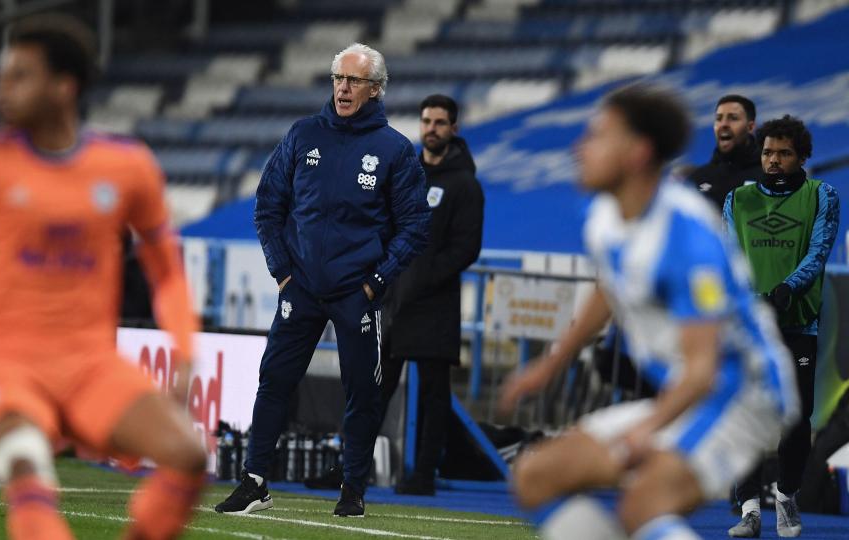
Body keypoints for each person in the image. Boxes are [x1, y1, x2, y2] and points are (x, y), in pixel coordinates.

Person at [0, 15, 206, 540]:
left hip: (92, 367)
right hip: (6, 369)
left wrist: (184, 351)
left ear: (63, 87)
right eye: (4, 74)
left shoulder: (126, 166)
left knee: (187, 457)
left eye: (19, 75)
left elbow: (168, 272)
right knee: (27, 470)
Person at [498, 84, 800, 540]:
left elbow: (705, 369)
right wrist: (550, 365)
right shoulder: (605, 211)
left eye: (598, 136)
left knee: (643, 506)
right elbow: (609, 285)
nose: (581, 147)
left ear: (637, 154)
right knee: (535, 476)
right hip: (688, 390)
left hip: (742, 394)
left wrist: (651, 428)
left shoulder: (685, 237)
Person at [214, 42, 430, 518]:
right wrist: (283, 273)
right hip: (302, 288)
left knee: (362, 392)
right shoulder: (302, 135)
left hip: (359, 292)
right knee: (273, 379)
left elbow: (415, 226)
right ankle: (253, 481)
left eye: (353, 81)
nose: (342, 88)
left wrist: (377, 281)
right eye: (337, 78)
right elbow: (267, 206)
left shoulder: (394, 150)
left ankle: (352, 490)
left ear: (375, 90)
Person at [725, 114, 839, 538]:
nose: (773, 160)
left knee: (795, 418)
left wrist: (787, 289)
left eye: (784, 153)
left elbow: (819, 250)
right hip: (748, 325)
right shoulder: (739, 200)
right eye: (768, 152)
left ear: (801, 156)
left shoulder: (821, 195)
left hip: (798, 323)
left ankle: (787, 494)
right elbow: (727, 254)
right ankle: (750, 507)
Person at [379, 94, 484, 496]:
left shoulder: (465, 184)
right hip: (396, 303)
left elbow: (466, 248)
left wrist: (423, 277)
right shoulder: (406, 176)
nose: (432, 129)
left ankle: (424, 474)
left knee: (434, 395)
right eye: (426, 121)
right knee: (374, 389)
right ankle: (346, 468)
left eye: (440, 123)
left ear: (453, 129)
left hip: (436, 304)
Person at [688, 95, 762, 210]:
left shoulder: (771, 176)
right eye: (719, 118)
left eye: (733, 118)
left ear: (750, 127)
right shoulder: (697, 178)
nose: (723, 124)